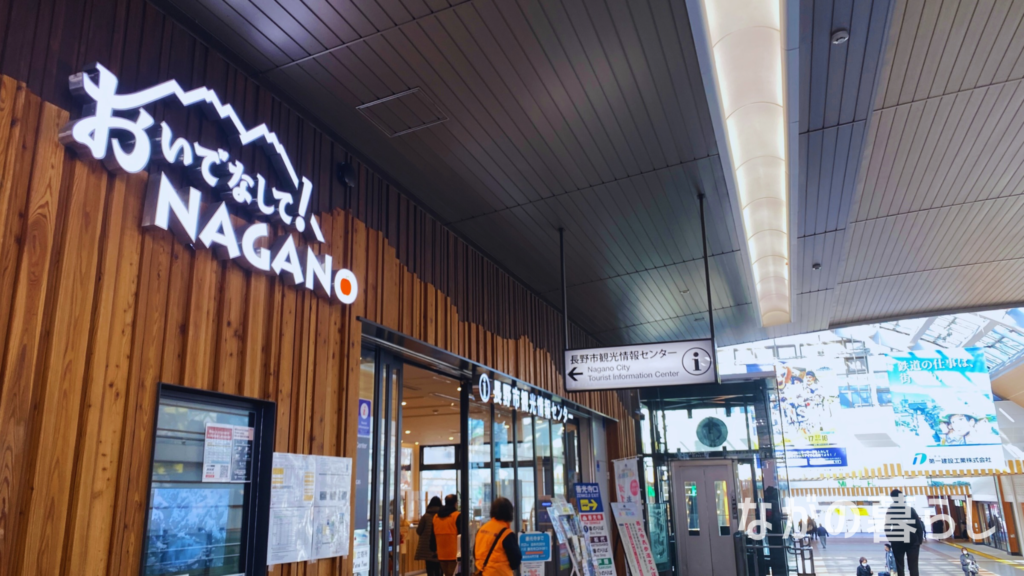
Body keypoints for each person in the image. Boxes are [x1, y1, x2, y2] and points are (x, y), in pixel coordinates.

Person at [474, 497, 523, 576]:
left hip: (482, 573)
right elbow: (515, 561)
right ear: (509, 513)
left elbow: (475, 553)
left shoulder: (481, 529)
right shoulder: (506, 533)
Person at [884, 490, 924, 576]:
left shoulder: (891, 511)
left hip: (898, 542)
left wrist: (891, 538)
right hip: (912, 542)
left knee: (900, 566)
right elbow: (918, 526)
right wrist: (919, 540)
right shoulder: (910, 510)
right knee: (913, 566)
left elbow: (887, 526)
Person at [432, 494, 462, 576]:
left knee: (447, 573)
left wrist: (433, 549)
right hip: (454, 553)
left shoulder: (436, 517)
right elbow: (461, 535)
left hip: (441, 553)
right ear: (455, 503)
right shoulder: (457, 515)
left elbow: (432, 535)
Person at [417, 497, 443, 576]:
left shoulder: (425, 516)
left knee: (429, 568)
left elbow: (419, 531)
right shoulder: (442, 516)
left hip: (427, 546)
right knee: (439, 567)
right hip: (439, 544)